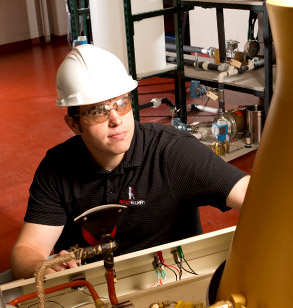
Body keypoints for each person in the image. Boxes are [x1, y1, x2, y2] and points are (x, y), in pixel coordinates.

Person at [10, 44, 250, 279]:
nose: (116, 120)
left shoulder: (171, 152)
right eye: (97, 111)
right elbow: (27, 251)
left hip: (171, 280)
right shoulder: (58, 166)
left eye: (122, 103)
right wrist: (41, 267)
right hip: (90, 290)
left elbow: (253, 195)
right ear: (73, 124)